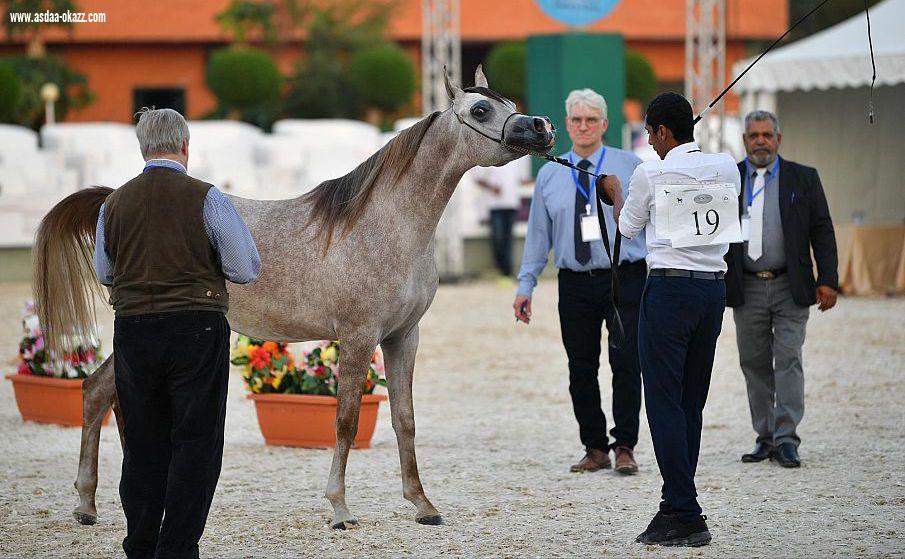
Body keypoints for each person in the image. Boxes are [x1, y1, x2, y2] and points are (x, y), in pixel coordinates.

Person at [93, 108, 261, 558]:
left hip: (133, 329)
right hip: (196, 328)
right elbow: (245, 268)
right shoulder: (207, 199)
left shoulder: (114, 204)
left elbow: (105, 271)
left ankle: (141, 545)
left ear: (143, 148)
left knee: (144, 442)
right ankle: (178, 548)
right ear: (185, 146)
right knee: (196, 442)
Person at [603, 92, 741, 546]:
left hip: (669, 291)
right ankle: (674, 501)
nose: (650, 141)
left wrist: (616, 194)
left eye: (650, 132)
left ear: (663, 131)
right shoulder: (726, 166)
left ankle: (684, 510)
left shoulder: (649, 171)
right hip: (711, 291)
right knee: (689, 403)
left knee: (662, 401)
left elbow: (627, 228)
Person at [513, 88, 646, 475]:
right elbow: (538, 235)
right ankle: (595, 446)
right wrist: (526, 285)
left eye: (591, 120)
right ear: (567, 125)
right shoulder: (551, 172)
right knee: (581, 366)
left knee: (626, 361)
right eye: (576, 120)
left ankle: (625, 445)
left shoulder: (631, 166)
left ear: (605, 124)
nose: (584, 126)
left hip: (624, 277)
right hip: (574, 281)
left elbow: (649, 227)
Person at [727, 110, 838, 468]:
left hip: (791, 285)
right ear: (744, 141)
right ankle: (765, 436)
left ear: (778, 138)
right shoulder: (729, 179)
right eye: (753, 135)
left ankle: (787, 438)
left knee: (788, 358)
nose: (760, 140)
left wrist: (828, 279)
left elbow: (822, 229)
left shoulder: (803, 178)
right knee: (754, 362)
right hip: (746, 286)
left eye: (766, 134)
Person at [473, 157, 530, 277]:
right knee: (498, 239)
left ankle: (506, 272)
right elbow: (477, 178)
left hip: (512, 204)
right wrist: (491, 187)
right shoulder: (491, 155)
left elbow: (522, 179)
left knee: (508, 240)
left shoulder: (517, 157)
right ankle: (501, 270)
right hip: (494, 205)